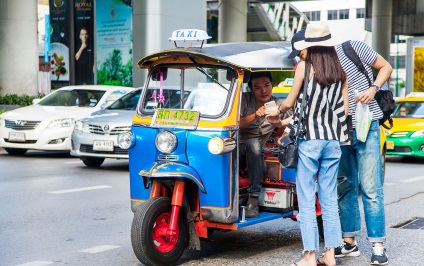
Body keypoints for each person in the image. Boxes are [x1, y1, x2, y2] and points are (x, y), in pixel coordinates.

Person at [278, 21, 349, 266]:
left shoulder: (304, 67)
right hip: (333, 141)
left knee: (307, 200)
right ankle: (330, 254)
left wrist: (278, 110)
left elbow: (289, 102)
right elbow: (345, 111)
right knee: (329, 200)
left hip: (310, 141)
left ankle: (309, 255)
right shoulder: (340, 71)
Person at [334, 38, 393, 264]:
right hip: (339, 128)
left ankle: (378, 245)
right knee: (346, 185)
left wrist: (373, 88)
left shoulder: (352, 47)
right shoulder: (316, 64)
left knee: (370, 186)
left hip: (367, 124)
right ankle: (349, 242)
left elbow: (386, 66)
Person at [239, 71, 292, 218]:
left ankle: (253, 199)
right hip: (237, 149)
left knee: (255, 146)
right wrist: (255, 114)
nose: (264, 91)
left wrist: (284, 135)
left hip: (256, 150)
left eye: (267, 85)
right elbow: (236, 124)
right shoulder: (244, 99)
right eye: (257, 87)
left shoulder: (279, 105)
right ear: (251, 89)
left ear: (272, 86)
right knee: (253, 144)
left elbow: (295, 120)